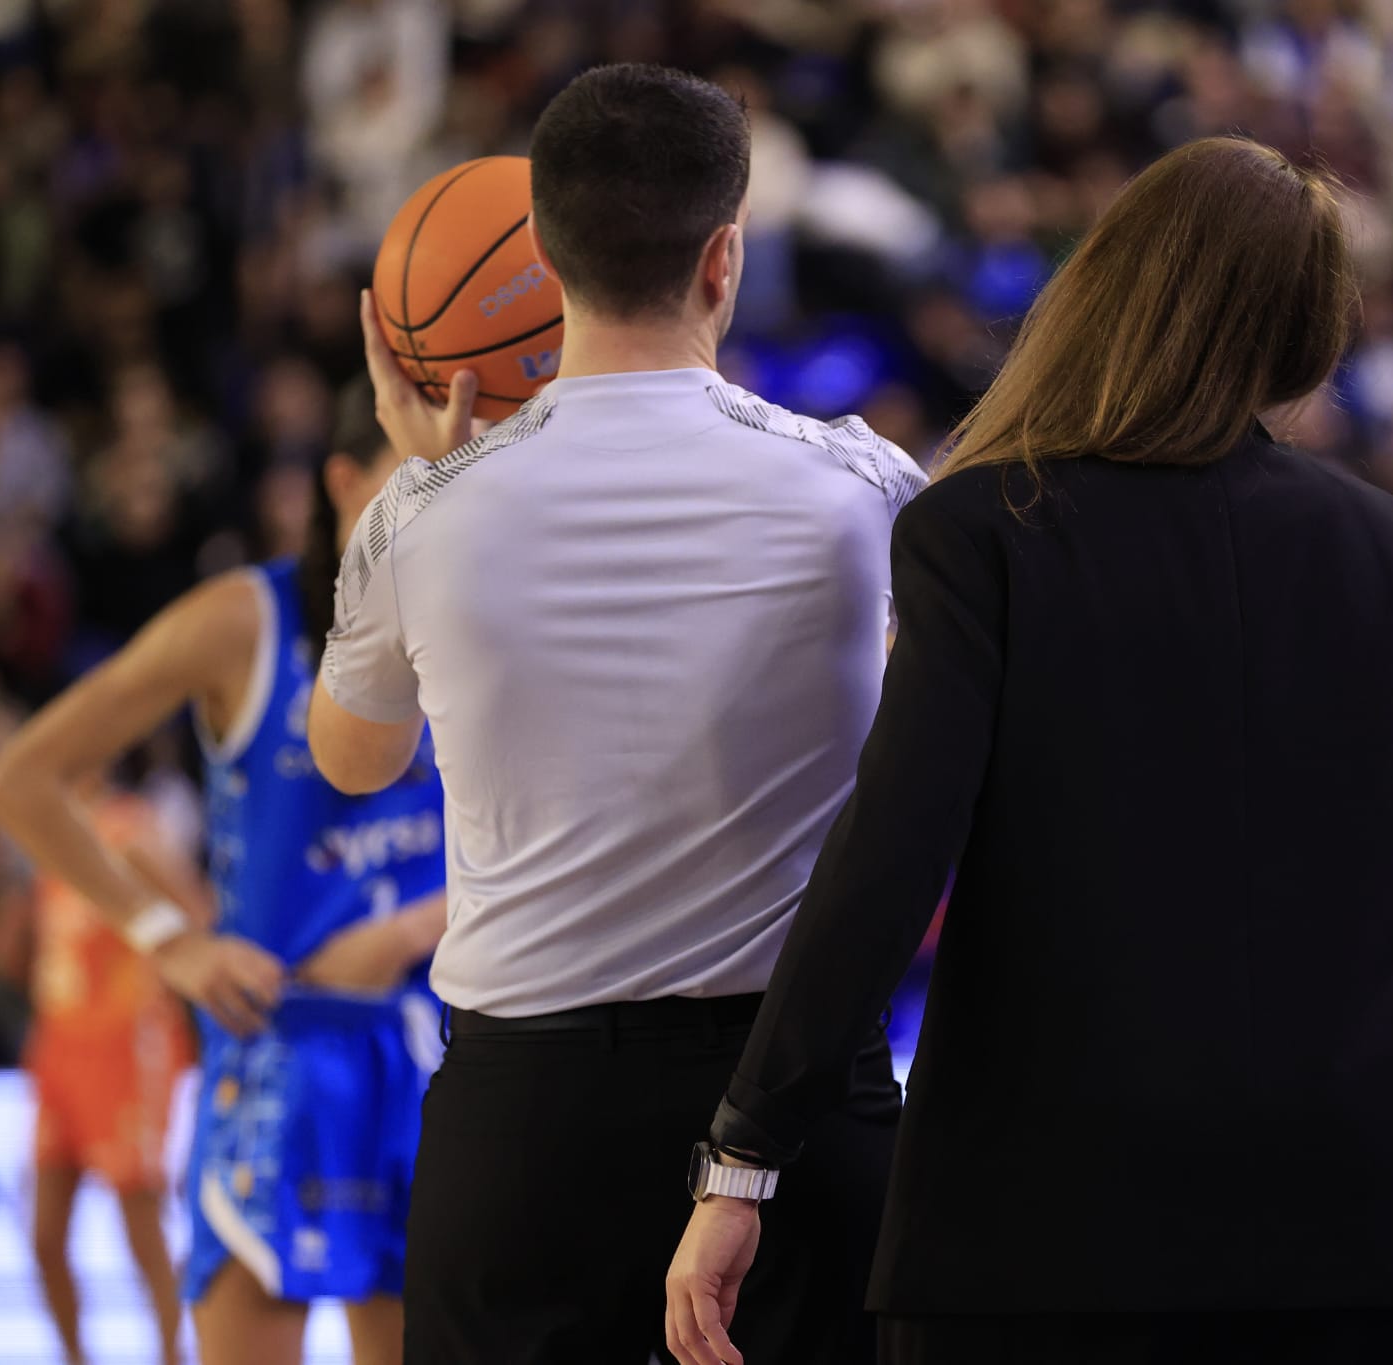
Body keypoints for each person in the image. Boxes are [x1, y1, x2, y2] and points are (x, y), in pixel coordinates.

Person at [664, 134, 1393, 1365]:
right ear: (1305, 330)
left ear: (1104, 283)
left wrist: (745, 1155)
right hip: (1366, 1234)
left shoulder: (983, 530)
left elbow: (888, 859)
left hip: (1037, 1245)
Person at [308, 64, 923, 1365]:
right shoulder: (864, 489)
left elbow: (353, 761)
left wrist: (431, 482)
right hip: (792, 1089)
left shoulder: (414, 516)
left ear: (538, 249)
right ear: (725, 256)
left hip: (525, 1110)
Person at [0, 376, 449, 1365]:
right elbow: (22, 783)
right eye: (406, 482)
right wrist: (171, 939)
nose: (425, 518)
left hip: (438, 1058)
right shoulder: (244, 621)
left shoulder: (487, 621)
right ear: (340, 481)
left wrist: (413, 929)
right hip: (277, 1055)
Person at [0, 774, 195, 1365]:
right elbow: (8, 959)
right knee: (45, 1234)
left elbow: (199, 916)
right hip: (60, 1045)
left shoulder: (130, 829)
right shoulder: (45, 841)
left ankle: (174, 1353)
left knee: (141, 1228)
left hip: (126, 1043)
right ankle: (75, 1356)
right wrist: (9, 892)